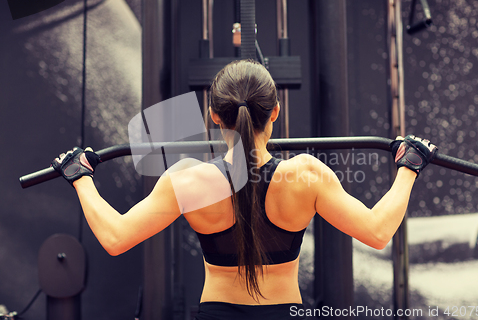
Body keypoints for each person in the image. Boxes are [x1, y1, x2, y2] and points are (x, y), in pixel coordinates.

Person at [52, 59, 437, 320]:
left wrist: (80, 177)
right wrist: (408, 167)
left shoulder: (187, 179)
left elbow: (116, 237)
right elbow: (377, 231)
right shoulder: (306, 175)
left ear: (214, 115)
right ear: (275, 111)